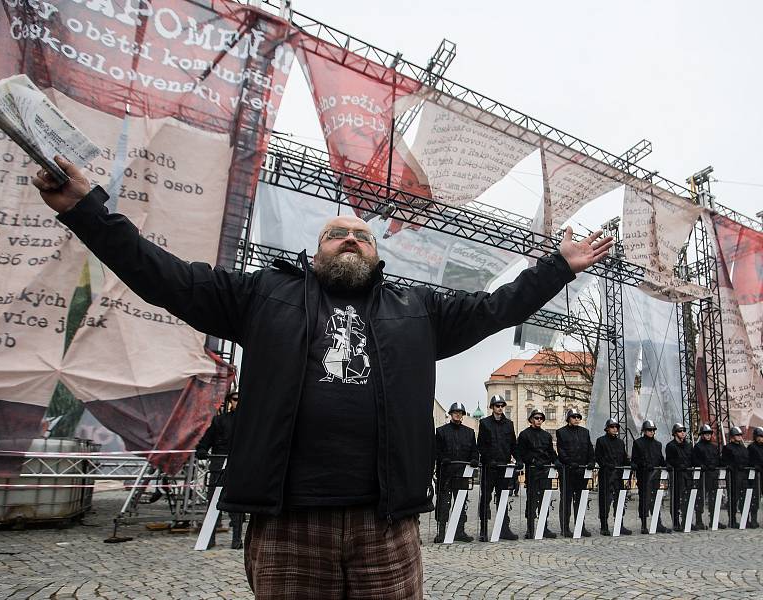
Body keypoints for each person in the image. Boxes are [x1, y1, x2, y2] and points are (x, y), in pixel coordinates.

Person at [33, 156, 611, 598]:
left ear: (377, 256)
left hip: (384, 523)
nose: (352, 240)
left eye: (362, 235)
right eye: (338, 234)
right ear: (316, 253)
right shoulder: (262, 295)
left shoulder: (418, 311)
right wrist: (86, 210)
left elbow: (498, 307)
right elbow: (165, 277)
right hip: (288, 522)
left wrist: (558, 267)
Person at [195, 390, 244, 549]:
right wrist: (202, 450)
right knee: (213, 501)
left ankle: (237, 539)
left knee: (236, 502)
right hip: (218, 463)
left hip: (237, 465)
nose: (237, 401)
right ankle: (209, 538)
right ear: (230, 401)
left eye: (239, 399)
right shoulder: (219, 421)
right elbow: (205, 441)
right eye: (234, 399)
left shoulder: (249, 423)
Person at [476, 395, 519, 541]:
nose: (500, 408)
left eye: (501, 406)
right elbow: (481, 445)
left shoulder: (509, 424)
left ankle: (504, 529)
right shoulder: (485, 423)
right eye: (497, 406)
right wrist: (489, 459)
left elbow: (513, 444)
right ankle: (483, 529)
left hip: (503, 466)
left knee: (503, 498)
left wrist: (518, 458)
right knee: (486, 498)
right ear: (492, 407)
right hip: (490, 468)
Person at [434, 403, 478, 542]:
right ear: (451, 414)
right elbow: (436, 450)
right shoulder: (441, 431)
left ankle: (459, 531)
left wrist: (474, 460)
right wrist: (442, 458)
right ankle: (441, 532)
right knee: (443, 504)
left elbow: (474, 450)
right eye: (455, 412)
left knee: (461, 503)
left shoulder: (469, 432)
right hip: (446, 473)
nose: (458, 414)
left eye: (460, 412)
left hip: (462, 473)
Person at [517, 409, 557, 539]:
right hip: (533, 470)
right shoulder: (524, 434)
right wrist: (532, 460)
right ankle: (530, 529)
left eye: (541, 418)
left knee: (545, 500)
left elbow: (551, 451)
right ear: (531, 419)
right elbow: (522, 453)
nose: (539, 420)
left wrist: (556, 461)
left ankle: (544, 527)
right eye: (536, 418)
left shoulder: (546, 435)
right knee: (532, 500)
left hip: (545, 470)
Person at [555, 408, 594, 537]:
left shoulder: (585, 432)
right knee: (566, 500)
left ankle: (580, 526)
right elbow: (561, 451)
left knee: (581, 500)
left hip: (581, 471)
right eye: (574, 417)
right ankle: (565, 528)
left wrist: (591, 461)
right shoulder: (561, 432)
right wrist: (569, 462)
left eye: (578, 417)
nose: (576, 419)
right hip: (568, 472)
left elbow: (589, 448)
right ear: (568, 418)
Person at [631, 420, 671, 534]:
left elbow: (660, 460)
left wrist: (667, 465)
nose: (652, 432)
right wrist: (643, 465)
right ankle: (644, 524)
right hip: (644, 476)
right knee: (645, 500)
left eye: (653, 430)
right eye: (649, 430)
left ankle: (658, 523)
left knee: (657, 499)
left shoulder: (658, 444)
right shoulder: (638, 443)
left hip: (656, 476)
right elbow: (634, 460)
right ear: (644, 431)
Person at [594, 417, 631, 536]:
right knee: (605, 501)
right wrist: (606, 465)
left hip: (618, 476)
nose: (615, 429)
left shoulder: (620, 442)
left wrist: (630, 464)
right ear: (607, 428)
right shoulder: (601, 441)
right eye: (612, 427)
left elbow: (624, 458)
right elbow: (598, 457)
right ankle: (604, 526)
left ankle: (619, 524)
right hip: (606, 475)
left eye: (616, 427)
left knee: (620, 501)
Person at [691, 424, 724, 530]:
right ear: (702, 435)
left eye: (709, 434)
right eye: (706, 434)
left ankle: (714, 520)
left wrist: (716, 465)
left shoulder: (714, 447)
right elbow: (694, 460)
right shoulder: (698, 446)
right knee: (700, 498)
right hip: (702, 476)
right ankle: (699, 520)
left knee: (714, 498)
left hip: (713, 475)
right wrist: (701, 465)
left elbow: (718, 459)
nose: (708, 436)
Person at [664, 422, 692, 531]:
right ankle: (676, 522)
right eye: (680, 431)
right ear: (675, 433)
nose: (683, 433)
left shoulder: (688, 445)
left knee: (687, 499)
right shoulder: (670, 446)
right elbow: (669, 461)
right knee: (676, 500)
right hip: (676, 476)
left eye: (684, 431)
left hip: (687, 475)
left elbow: (692, 459)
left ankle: (686, 521)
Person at [722, 426, 751, 528]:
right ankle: (732, 520)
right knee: (733, 499)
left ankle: (746, 519)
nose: (739, 437)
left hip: (743, 475)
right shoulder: (727, 448)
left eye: (740, 435)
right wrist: (733, 466)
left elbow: (748, 460)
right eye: (737, 435)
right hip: (733, 476)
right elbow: (725, 462)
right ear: (732, 437)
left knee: (745, 498)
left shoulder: (743, 448)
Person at [747, 427, 763, 529]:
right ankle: (753, 519)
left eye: (762, 436)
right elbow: (748, 460)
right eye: (759, 436)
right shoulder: (751, 447)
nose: (761, 438)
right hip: (756, 475)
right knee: (755, 498)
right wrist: (755, 466)